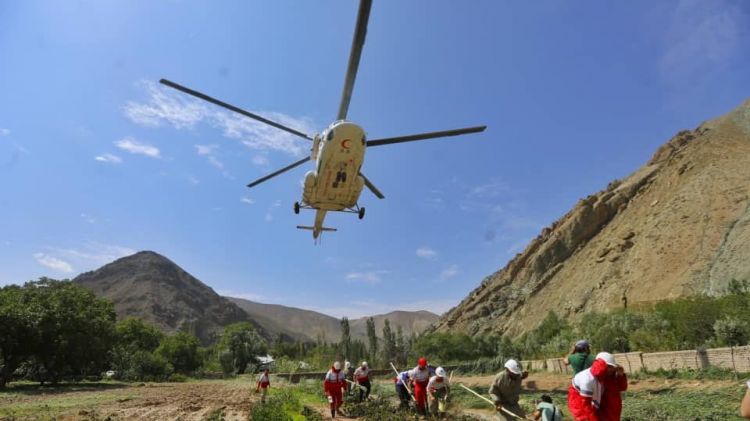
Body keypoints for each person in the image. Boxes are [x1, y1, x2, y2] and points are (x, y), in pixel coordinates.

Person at [567, 352, 627, 421]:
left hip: (607, 408)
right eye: (609, 366)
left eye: (612, 367)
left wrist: (621, 376)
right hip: (584, 402)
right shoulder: (587, 379)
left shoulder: (610, 376)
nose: (611, 369)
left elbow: (622, 387)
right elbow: (586, 405)